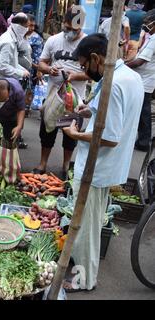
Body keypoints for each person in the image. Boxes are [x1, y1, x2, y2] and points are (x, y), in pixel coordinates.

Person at [62, 33, 144, 292]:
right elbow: (115, 117)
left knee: (86, 226)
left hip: (98, 167)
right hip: (109, 166)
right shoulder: (130, 77)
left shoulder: (114, 84)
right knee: (90, 222)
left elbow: (109, 137)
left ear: (97, 58)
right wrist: (91, 111)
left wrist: (75, 135)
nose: (85, 70)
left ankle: (84, 279)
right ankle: (83, 269)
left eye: (85, 65)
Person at [34, 7, 89, 179]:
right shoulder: (53, 40)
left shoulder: (87, 44)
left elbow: (93, 73)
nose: (70, 32)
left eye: (74, 29)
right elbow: (41, 62)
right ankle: (42, 163)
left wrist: (76, 76)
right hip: (53, 98)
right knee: (47, 132)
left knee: (70, 136)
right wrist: (49, 69)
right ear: (63, 23)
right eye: (67, 27)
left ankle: (66, 167)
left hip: (73, 100)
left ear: (81, 27)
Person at [126, 9, 155, 152]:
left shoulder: (154, 39)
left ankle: (143, 142)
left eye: (149, 22)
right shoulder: (151, 37)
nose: (147, 25)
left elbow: (140, 61)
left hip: (145, 80)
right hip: (143, 79)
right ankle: (142, 140)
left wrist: (123, 66)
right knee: (142, 110)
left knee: (143, 111)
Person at [0, 13, 30, 81]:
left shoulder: (11, 39)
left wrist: (23, 70)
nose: (27, 29)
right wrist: (21, 73)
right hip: (0, 84)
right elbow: (2, 67)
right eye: (26, 27)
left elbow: (12, 63)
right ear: (19, 27)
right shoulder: (8, 42)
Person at [26, 14, 44, 82]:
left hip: (32, 71)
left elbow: (39, 58)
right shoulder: (20, 36)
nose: (32, 28)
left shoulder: (36, 38)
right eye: (30, 25)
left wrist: (39, 70)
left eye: (33, 25)